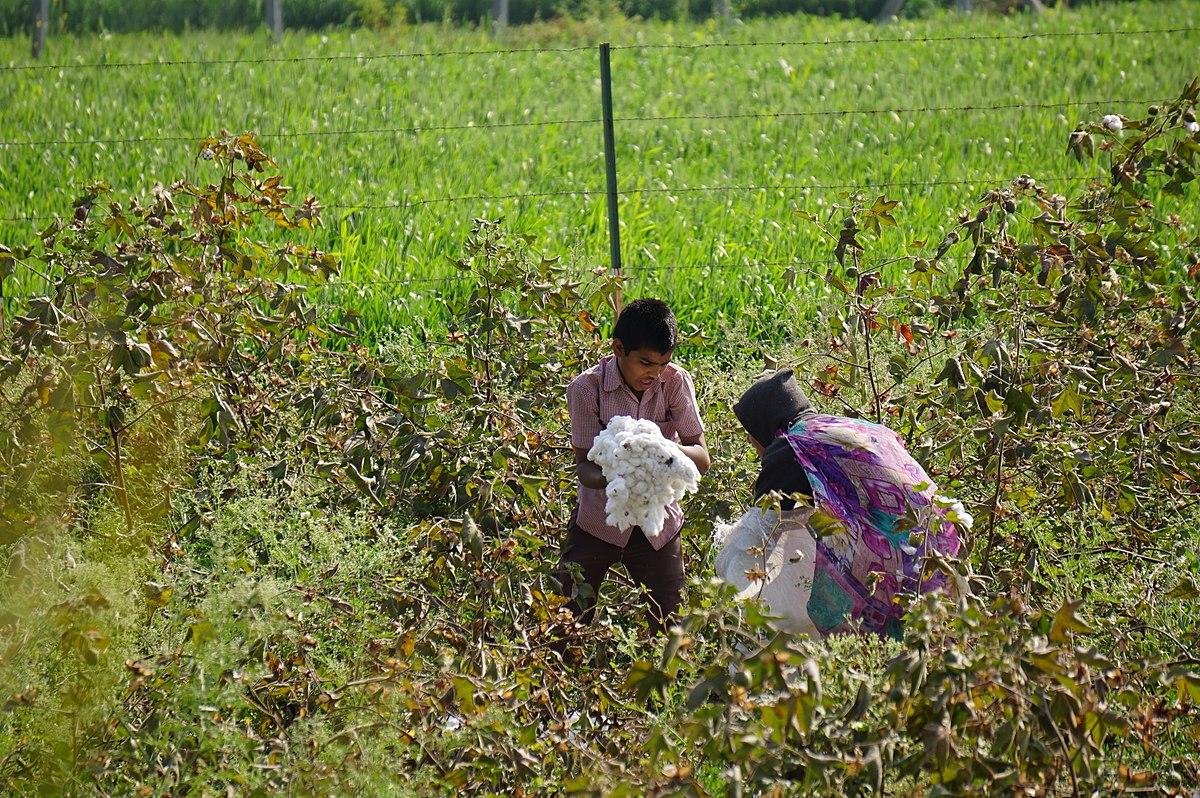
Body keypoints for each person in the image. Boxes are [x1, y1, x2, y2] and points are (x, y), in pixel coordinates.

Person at [719, 368, 962, 640]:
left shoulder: (791, 448)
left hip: (895, 563)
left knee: (886, 650)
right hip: (942, 541)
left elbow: (761, 535)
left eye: (749, 435)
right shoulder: (854, 427)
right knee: (933, 639)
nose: (752, 444)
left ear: (761, 425)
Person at [554, 298, 711, 641]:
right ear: (618, 348)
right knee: (563, 627)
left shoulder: (674, 382)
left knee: (671, 635)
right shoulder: (586, 389)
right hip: (596, 523)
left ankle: (663, 691)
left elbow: (700, 457)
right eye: (645, 363)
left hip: (659, 528)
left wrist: (660, 451)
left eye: (663, 363)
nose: (654, 374)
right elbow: (584, 468)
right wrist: (623, 472)